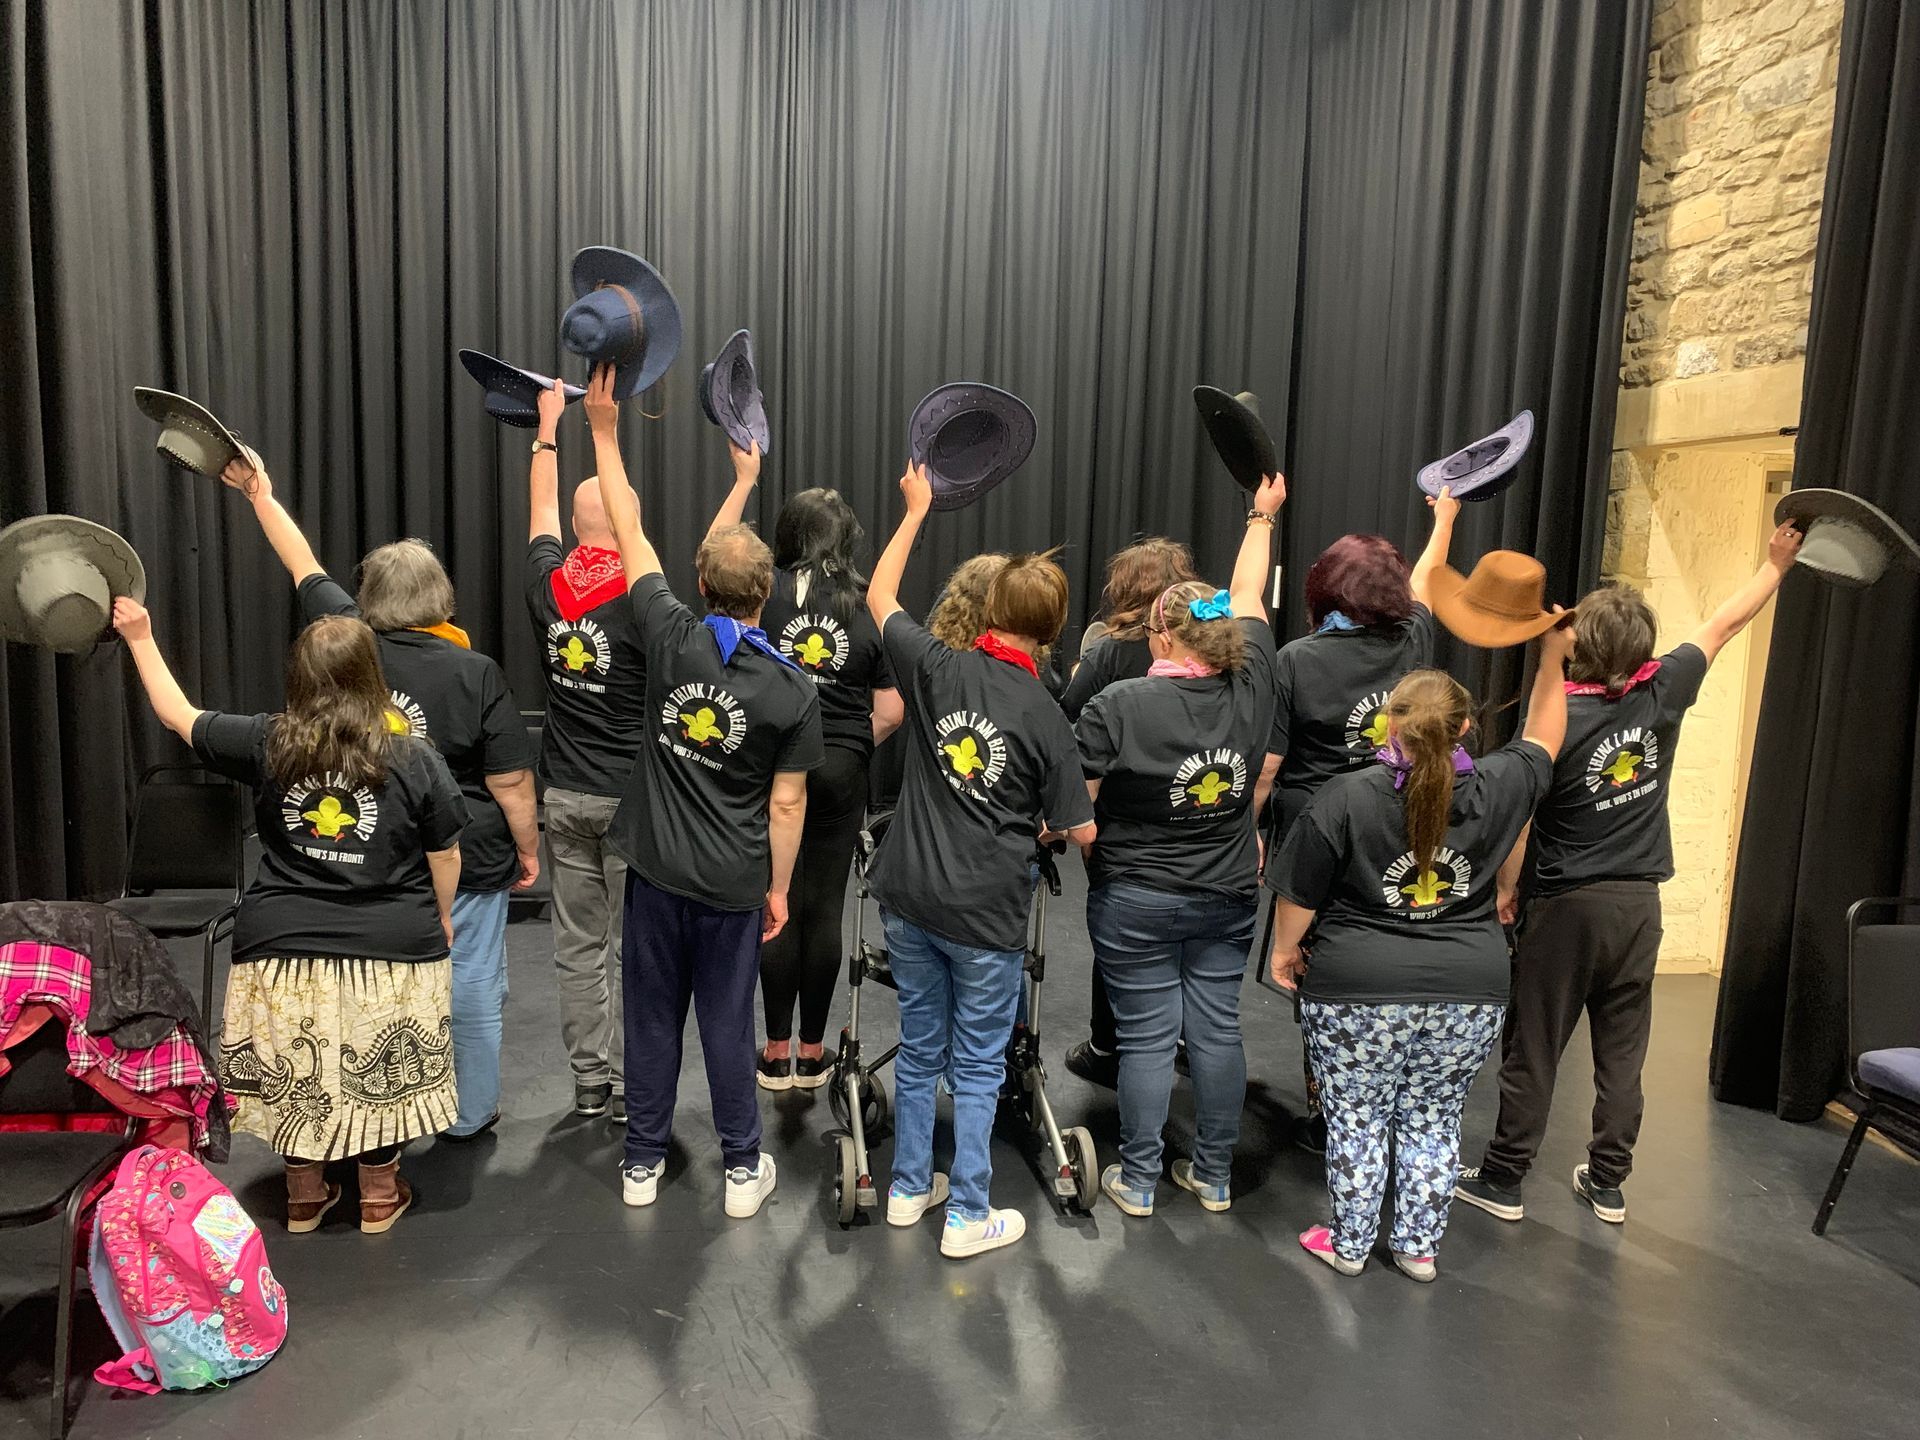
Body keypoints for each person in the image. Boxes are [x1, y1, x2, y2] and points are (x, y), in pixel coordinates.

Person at [1456, 521, 1804, 1227]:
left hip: (1565, 906)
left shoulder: (1554, 717)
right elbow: (1723, 624)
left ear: (1577, 647)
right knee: (1623, 1047)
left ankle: (1504, 1178)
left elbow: (1521, 818)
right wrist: (1776, 566)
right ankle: (1608, 1182)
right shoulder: (1662, 692)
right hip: (1639, 905)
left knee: (1537, 1042)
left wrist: (1503, 889)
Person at [113, 598, 464, 1233]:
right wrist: (440, 918)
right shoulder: (413, 758)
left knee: (292, 1067)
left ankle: (304, 1194)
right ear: (372, 676)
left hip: (280, 942)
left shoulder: (267, 741)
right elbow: (445, 852)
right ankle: (379, 1194)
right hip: (390, 943)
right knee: (379, 1066)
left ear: (298, 677)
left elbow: (177, 716)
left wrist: (140, 634)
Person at [226, 456, 538, 1143]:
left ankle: (381, 1111)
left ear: (368, 598)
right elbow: (510, 780)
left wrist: (261, 497)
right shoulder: (475, 670)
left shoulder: (346, 637)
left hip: (373, 851)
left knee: (377, 985)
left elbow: (302, 563)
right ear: (443, 599)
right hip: (462, 848)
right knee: (472, 984)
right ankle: (466, 1113)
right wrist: (527, 847)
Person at [1265, 617, 1575, 1281]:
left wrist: (1284, 953)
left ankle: (1348, 1246)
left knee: (1357, 1118)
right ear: (1465, 728)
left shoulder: (1345, 795)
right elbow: (1546, 735)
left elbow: (1301, 894)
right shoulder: (1499, 786)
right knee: (1435, 1120)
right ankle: (1418, 1249)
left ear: (1389, 725)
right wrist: (1552, 659)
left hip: (1358, 988)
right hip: (1470, 989)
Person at [584, 364, 823, 1218]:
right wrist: (780, 889)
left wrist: (606, 433)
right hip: (731, 884)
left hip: (656, 875)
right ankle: (740, 1168)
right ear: (769, 595)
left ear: (704, 587)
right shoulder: (793, 691)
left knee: (651, 1020)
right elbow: (787, 805)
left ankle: (642, 1162)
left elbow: (632, 527)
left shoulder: (672, 635)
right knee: (728, 1024)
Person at [865, 463, 1096, 1258]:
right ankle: (966, 1213)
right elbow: (1082, 830)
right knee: (978, 1060)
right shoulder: (1048, 714)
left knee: (921, 1042)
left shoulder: (938, 667)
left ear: (990, 608)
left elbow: (879, 596)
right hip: (986, 915)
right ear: (1054, 628)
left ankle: (904, 1190)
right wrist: (1039, 825)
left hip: (908, 896)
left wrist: (917, 510)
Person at [1076, 477, 1285, 1217]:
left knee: (1146, 1040)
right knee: (1217, 1030)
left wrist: (1095, 843)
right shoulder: (1256, 685)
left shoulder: (1120, 703)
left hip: (1136, 894)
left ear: (1160, 637)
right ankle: (1215, 1175)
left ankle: (1136, 1180)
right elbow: (1250, 595)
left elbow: (1077, 804)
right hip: (1226, 893)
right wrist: (1262, 517)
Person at [1259, 489, 1461, 1152]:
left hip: (1318, 836)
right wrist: (1446, 520)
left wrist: (1252, 834)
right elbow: (1428, 578)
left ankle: (1332, 1108)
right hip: (1399, 825)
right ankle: (1393, 1105)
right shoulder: (1416, 636)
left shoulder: (1295, 661)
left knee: (1315, 968)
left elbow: (1269, 764)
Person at [705, 464, 905, 1090]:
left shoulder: (760, 588)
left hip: (768, 770)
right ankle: (815, 1054)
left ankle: (774, 1052)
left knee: (774, 905)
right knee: (823, 910)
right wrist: (843, 743)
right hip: (842, 769)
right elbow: (893, 707)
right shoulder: (869, 599)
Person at [524, 378, 648, 1123]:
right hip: (632, 797)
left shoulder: (548, 585)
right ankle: (637, 1084)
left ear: (575, 527)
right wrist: (606, 435)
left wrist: (548, 431)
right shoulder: (644, 592)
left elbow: (540, 508)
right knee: (637, 950)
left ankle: (590, 1082)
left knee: (578, 949)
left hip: (565, 793)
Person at [1058, 537, 1201, 1090]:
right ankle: (1181, 1038)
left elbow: (1067, 719)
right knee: (1191, 935)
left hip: (1122, 822)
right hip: (1196, 812)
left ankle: (1107, 1046)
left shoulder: (1108, 653)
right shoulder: (1213, 650)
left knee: (1120, 934)